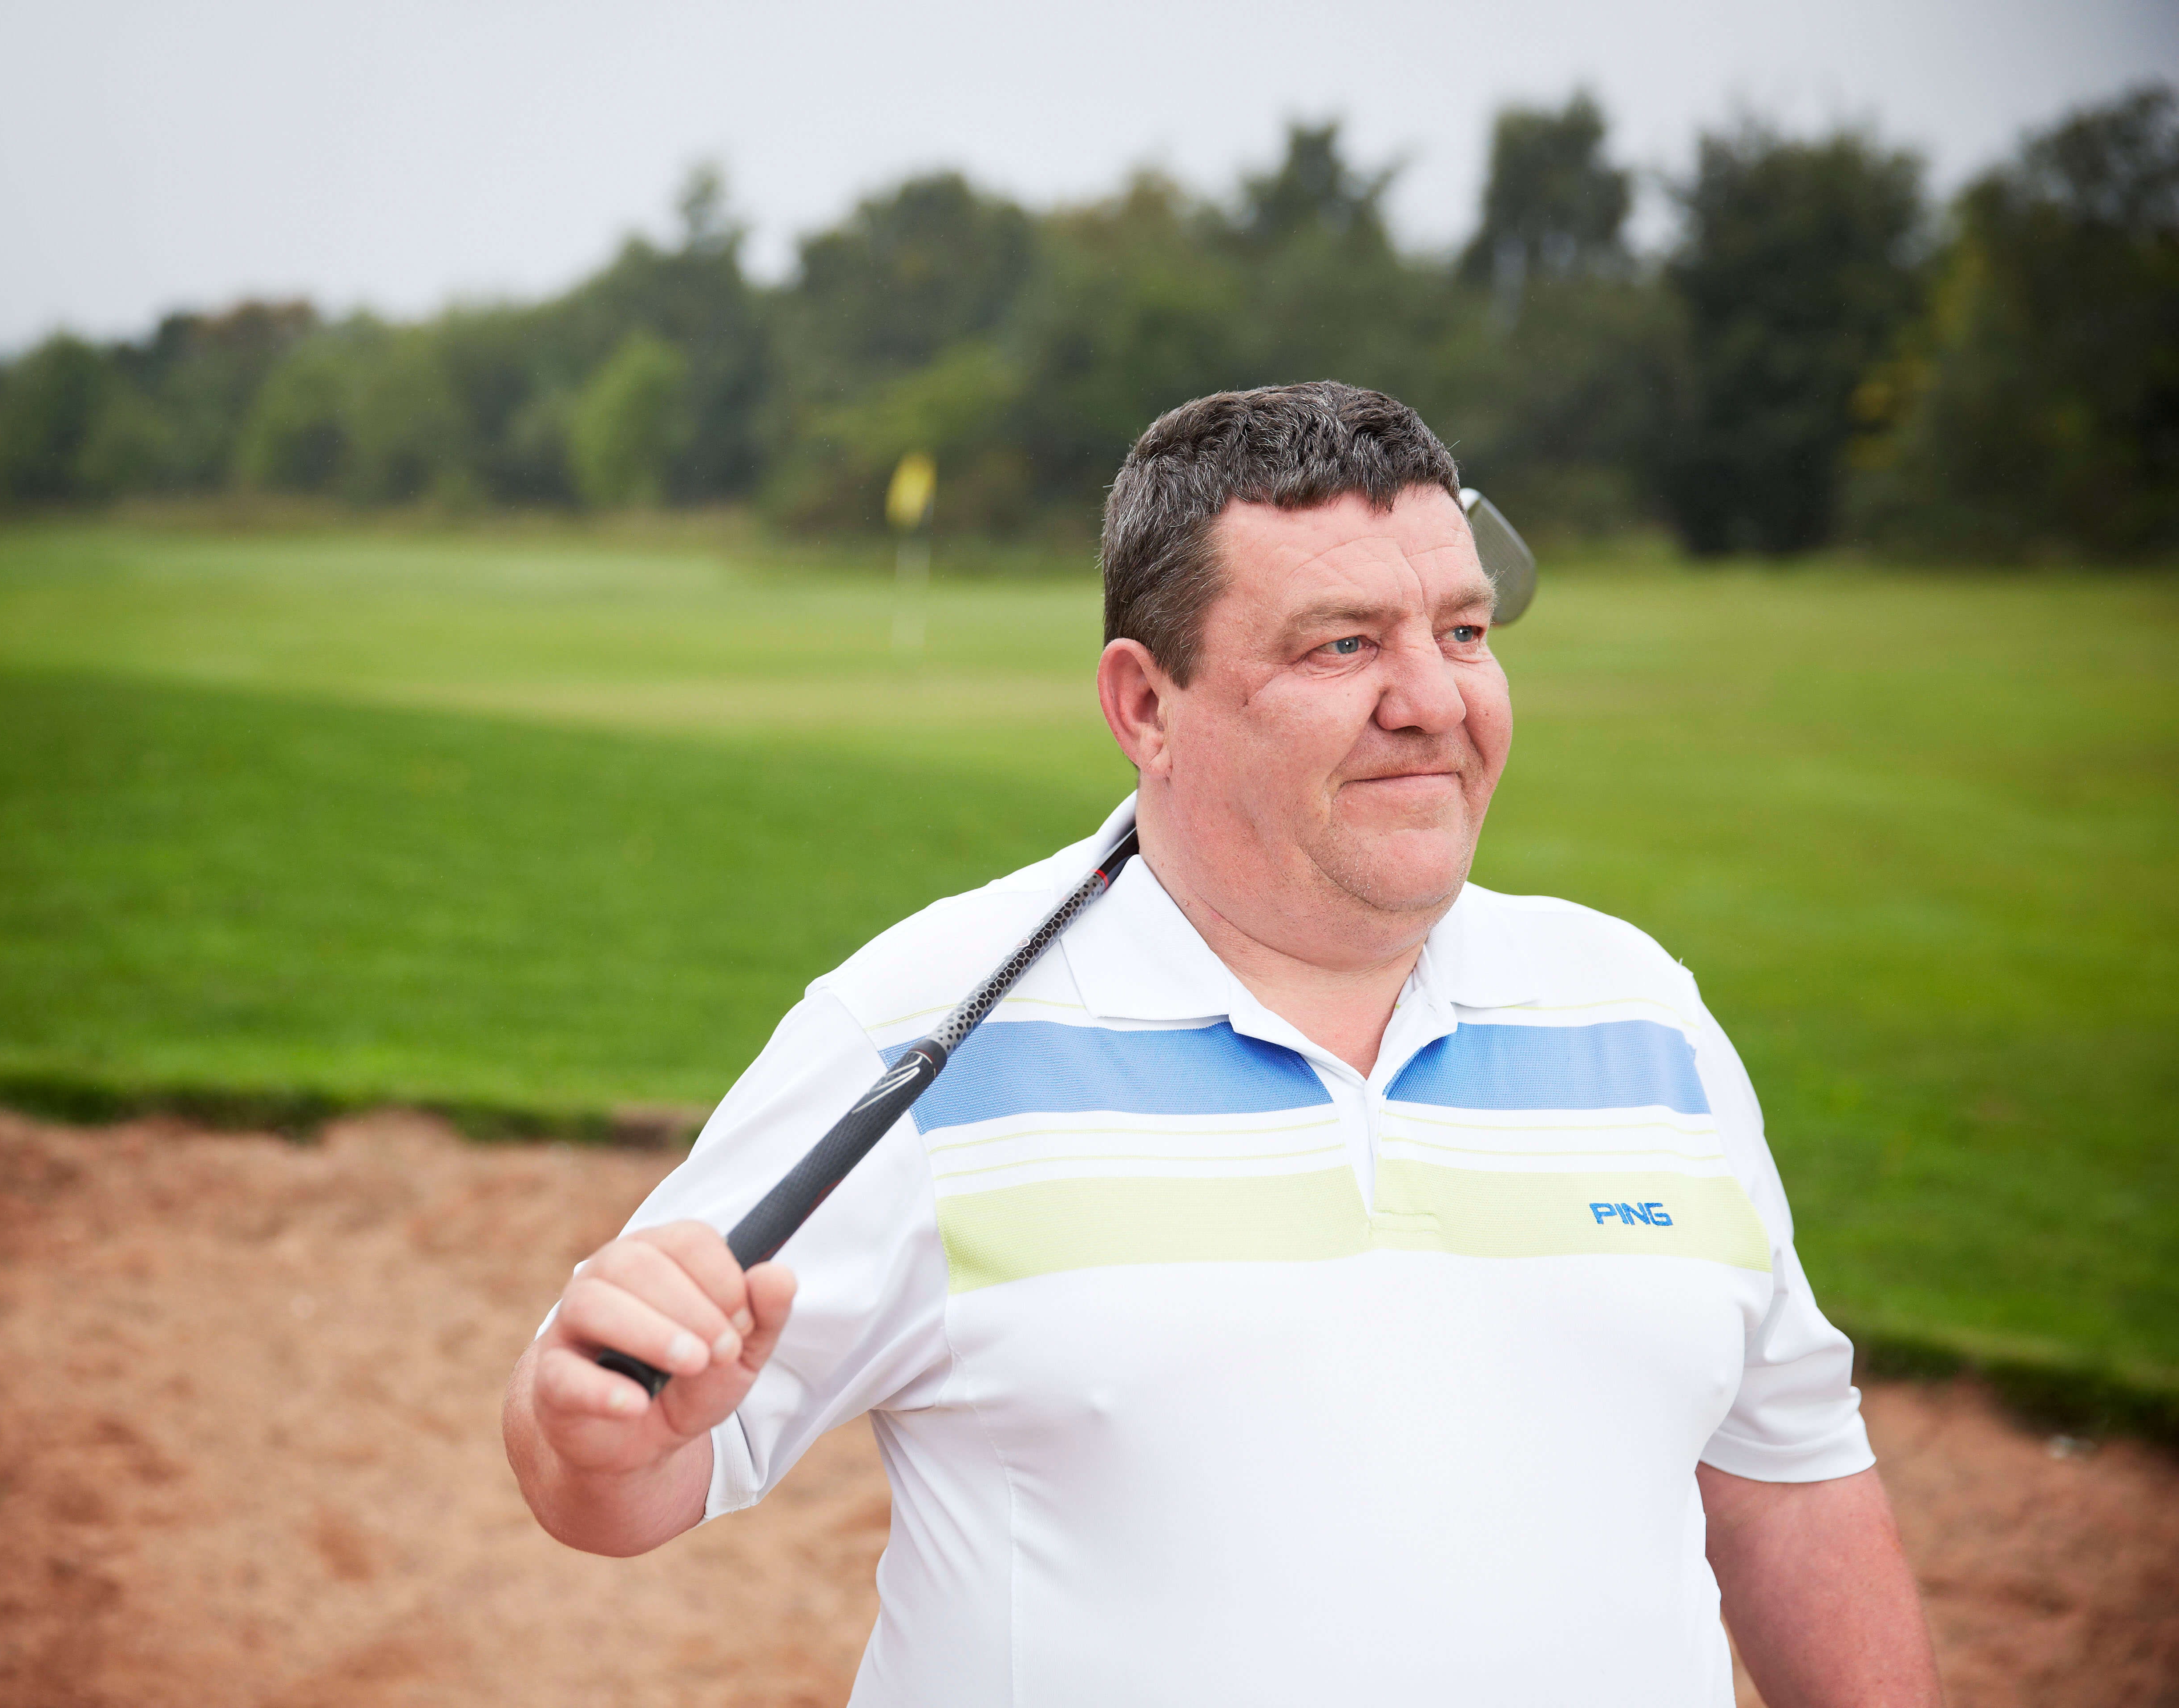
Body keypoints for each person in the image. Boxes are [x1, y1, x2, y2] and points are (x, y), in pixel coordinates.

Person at [503, 381, 1942, 1707]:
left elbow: (1789, 1477)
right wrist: (588, 1425)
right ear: (1147, 706)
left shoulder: (1641, 1015)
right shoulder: (922, 1030)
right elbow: (620, 1468)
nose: (1433, 702)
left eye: (1462, 631)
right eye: (1343, 646)